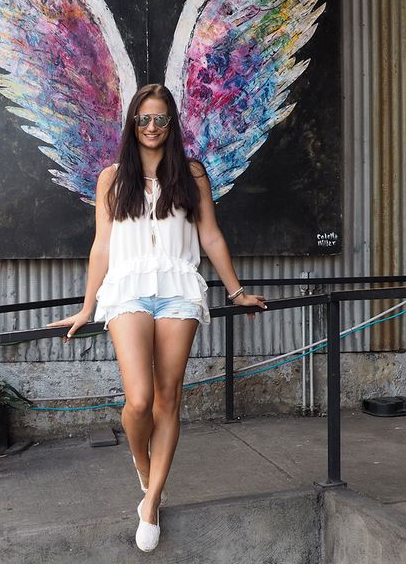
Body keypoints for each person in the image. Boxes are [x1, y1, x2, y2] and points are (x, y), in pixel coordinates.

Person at [47, 83, 266, 552]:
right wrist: (88, 307)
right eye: (143, 119)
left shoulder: (191, 175)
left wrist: (238, 291)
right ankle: (145, 470)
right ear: (132, 123)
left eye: (160, 119)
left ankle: (152, 501)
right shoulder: (112, 178)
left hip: (178, 292)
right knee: (139, 400)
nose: (151, 127)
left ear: (171, 124)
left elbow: (210, 236)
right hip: (127, 290)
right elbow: (102, 245)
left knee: (168, 399)